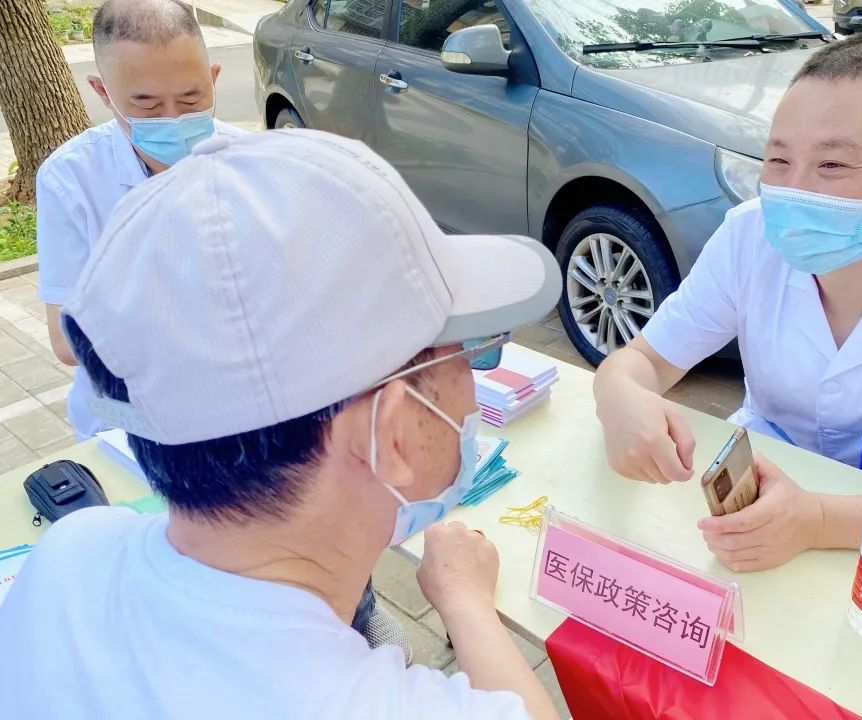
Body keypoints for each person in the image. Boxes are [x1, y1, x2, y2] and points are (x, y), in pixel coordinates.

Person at [0, 129, 563, 719]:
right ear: (392, 433)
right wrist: (466, 603)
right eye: (469, 350)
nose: (472, 376)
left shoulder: (71, 553)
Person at [594, 32, 862, 571]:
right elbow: (645, 360)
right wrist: (619, 393)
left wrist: (819, 520)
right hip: (759, 504)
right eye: (778, 160)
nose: (795, 191)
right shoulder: (749, 236)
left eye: (832, 165)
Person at [36, 0, 243, 439]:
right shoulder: (70, 178)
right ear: (103, 91)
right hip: (126, 419)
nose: (173, 118)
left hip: (236, 410)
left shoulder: (249, 159)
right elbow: (67, 340)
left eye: (191, 98)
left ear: (213, 78)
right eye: (146, 105)